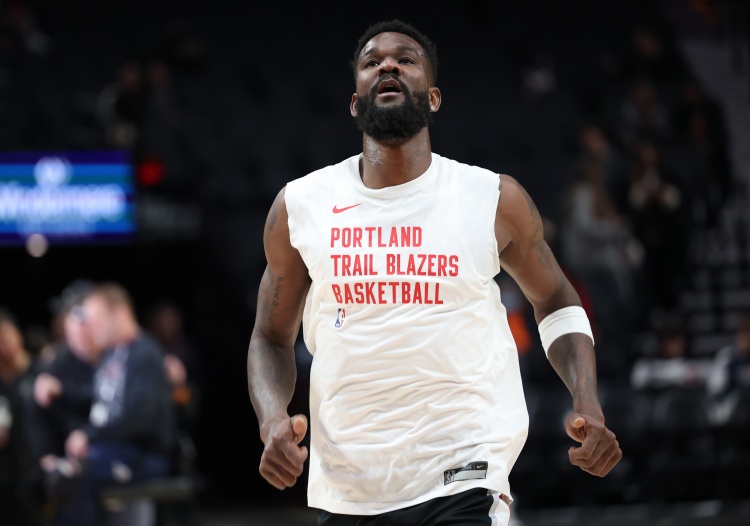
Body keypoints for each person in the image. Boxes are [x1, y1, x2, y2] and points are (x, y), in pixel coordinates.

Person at [246, 20, 621, 525]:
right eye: (372, 61)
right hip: (351, 485)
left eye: (406, 59)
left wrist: (587, 400)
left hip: (465, 469)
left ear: (434, 98)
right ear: (355, 103)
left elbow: (556, 299)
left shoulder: (493, 199)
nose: (388, 64)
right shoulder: (300, 206)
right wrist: (272, 420)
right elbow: (270, 336)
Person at [56, 283, 173, 526]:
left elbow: (138, 418)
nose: (92, 327)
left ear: (119, 313)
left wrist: (89, 435)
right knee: (63, 474)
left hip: (143, 455)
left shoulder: (144, 353)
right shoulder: (112, 355)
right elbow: (98, 399)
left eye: (97, 320)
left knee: (79, 476)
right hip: (112, 450)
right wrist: (61, 392)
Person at [0, 308, 38, 525]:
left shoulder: (40, 373)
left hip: (35, 473)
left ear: (18, 334)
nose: (3, 346)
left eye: (5, 337)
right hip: (5, 475)